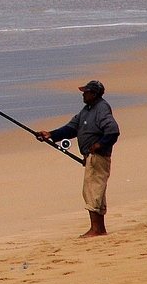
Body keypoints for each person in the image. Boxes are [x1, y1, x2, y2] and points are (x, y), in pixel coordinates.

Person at [37, 80, 119, 237]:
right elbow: (72, 128)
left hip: (98, 157)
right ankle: (99, 229)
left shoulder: (101, 109)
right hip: (90, 157)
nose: (83, 94)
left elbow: (113, 130)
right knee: (93, 191)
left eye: (86, 92)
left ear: (94, 94)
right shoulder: (87, 110)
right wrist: (51, 134)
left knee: (93, 191)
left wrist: (100, 145)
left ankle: (96, 230)